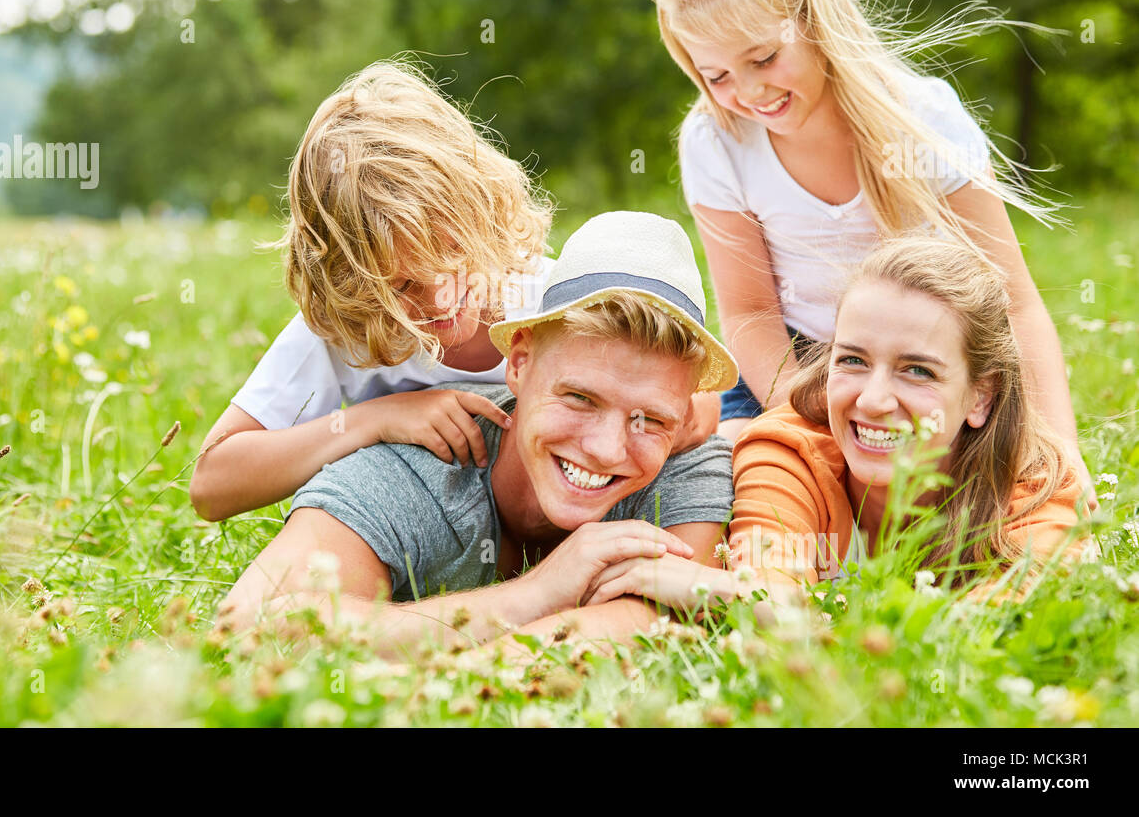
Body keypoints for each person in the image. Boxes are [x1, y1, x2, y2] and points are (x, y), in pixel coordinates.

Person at [653, 0, 1093, 504]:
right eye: (717, 76)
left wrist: (1058, 450)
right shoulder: (715, 141)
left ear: (812, 22)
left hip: (925, 364)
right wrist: (816, 425)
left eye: (764, 58)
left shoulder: (920, 116)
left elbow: (1013, 302)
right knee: (717, 482)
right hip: (793, 371)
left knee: (983, 502)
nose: (748, 92)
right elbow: (751, 313)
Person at [217, 212, 740, 654]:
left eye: (650, 419)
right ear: (517, 365)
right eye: (580, 399)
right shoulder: (415, 471)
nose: (606, 449)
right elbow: (249, 625)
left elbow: (662, 617)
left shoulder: (686, 466)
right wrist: (535, 594)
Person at [585, 237, 1093, 612]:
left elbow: (995, 627)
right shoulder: (786, 451)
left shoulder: (1035, 491)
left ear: (980, 396)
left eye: (917, 370)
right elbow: (772, 598)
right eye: (852, 361)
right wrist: (769, 605)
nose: (872, 401)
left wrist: (710, 590)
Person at [188, 60, 555, 523]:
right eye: (401, 285)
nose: (440, 298)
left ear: (481, 206)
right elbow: (211, 484)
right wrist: (376, 419)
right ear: (347, 283)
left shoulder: (553, 298)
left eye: (451, 252)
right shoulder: (351, 323)